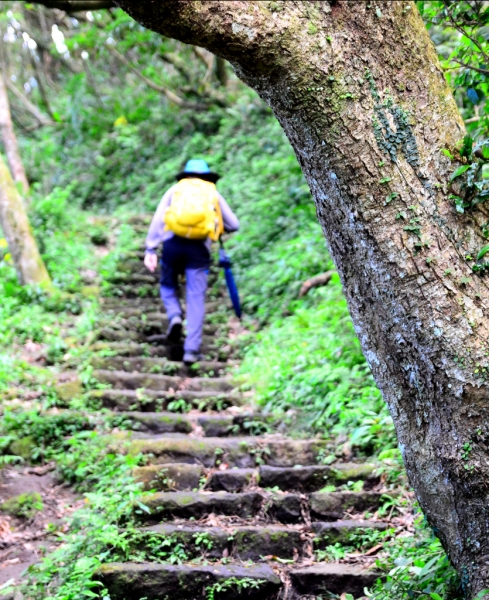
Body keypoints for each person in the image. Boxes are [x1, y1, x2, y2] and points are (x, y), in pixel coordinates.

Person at [144, 159, 239, 364]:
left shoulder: (175, 191)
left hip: (172, 245)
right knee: (195, 298)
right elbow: (234, 224)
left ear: (185, 175)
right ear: (207, 176)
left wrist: (150, 248)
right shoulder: (212, 193)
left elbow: (159, 219)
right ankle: (191, 350)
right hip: (199, 250)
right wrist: (217, 227)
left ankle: (175, 315)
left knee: (168, 285)